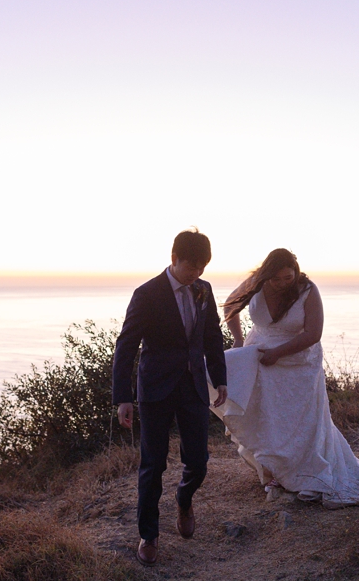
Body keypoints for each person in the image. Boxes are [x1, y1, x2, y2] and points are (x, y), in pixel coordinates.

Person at [212, 248, 359, 508]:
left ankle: (307, 473)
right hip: (261, 359)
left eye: (288, 277)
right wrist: (239, 340)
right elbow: (230, 304)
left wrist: (278, 353)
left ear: (295, 272)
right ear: (266, 275)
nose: (283, 283)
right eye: (277, 279)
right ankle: (273, 474)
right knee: (266, 417)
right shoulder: (255, 283)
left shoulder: (307, 290)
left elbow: (313, 334)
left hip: (298, 363)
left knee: (298, 421)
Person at [112, 229, 228, 567]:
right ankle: (149, 535)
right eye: (191, 266)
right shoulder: (147, 293)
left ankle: (184, 498)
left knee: (199, 461)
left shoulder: (204, 290)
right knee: (153, 464)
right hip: (155, 388)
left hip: (193, 387)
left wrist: (220, 379)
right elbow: (126, 345)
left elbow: (212, 337)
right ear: (174, 258)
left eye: (202, 267)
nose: (196, 274)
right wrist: (123, 397)